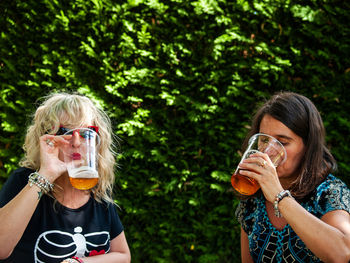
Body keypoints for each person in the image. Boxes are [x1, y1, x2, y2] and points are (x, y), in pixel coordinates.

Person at [0, 92, 131, 263]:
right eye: (66, 132)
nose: (76, 143)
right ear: (46, 138)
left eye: (85, 133)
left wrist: (78, 262)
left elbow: (123, 255)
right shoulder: (25, 181)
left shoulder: (98, 191)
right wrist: (46, 174)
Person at [235, 92, 350, 262]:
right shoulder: (252, 200)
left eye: (283, 142)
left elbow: (342, 254)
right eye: (264, 140)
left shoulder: (329, 193)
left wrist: (279, 196)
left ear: (307, 146)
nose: (268, 151)